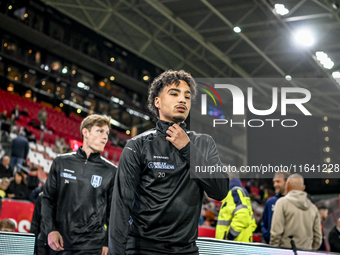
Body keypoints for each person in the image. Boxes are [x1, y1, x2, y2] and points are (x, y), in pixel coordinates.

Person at [109, 70, 229, 255]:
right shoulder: (137, 145)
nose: (182, 100)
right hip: (143, 249)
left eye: (187, 97)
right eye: (174, 93)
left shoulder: (203, 143)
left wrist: (188, 149)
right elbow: (120, 206)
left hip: (186, 250)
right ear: (157, 101)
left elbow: (220, 191)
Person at [41, 114, 117, 254]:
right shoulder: (61, 162)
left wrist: (107, 242)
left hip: (92, 245)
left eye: (107, 133)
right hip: (60, 241)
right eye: (100, 131)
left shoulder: (112, 171)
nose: (105, 137)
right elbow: (47, 200)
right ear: (85, 132)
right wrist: (50, 230)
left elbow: (113, 212)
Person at [270, 174, 322, 250]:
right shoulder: (313, 208)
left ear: (287, 185)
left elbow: (276, 232)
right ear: (303, 187)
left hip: (286, 251)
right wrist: (310, 250)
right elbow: (318, 238)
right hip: (307, 252)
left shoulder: (282, 203)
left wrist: (274, 250)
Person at [215, 176, 256, 242]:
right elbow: (253, 224)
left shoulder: (234, 192)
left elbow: (243, 217)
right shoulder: (240, 192)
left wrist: (229, 237)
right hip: (239, 244)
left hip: (233, 246)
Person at [261, 171, 290, 243]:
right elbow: (264, 223)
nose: (275, 185)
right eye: (274, 182)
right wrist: (267, 236)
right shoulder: (270, 202)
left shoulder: (292, 202)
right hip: (272, 245)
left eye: (278, 182)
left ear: (287, 183)